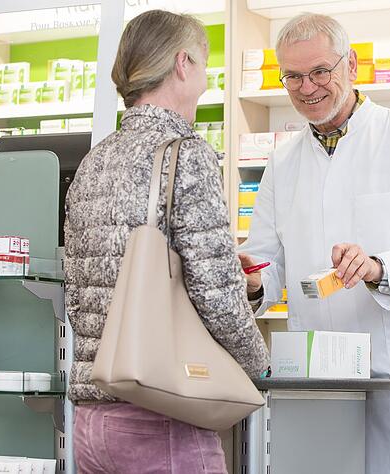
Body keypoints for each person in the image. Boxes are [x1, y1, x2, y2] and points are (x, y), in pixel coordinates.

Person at [239, 13, 390, 474]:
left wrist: (378, 267)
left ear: (350, 64)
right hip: (318, 380)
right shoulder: (282, 160)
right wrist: (250, 279)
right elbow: (268, 262)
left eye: (319, 72)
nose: (306, 87)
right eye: (292, 75)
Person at [65, 10, 269, 474]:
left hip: (92, 423)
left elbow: (81, 290)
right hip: (161, 415)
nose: (205, 79)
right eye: (203, 64)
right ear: (182, 64)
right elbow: (215, 294)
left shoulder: (95, 160)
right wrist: (258, 366)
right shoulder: (185, 153)